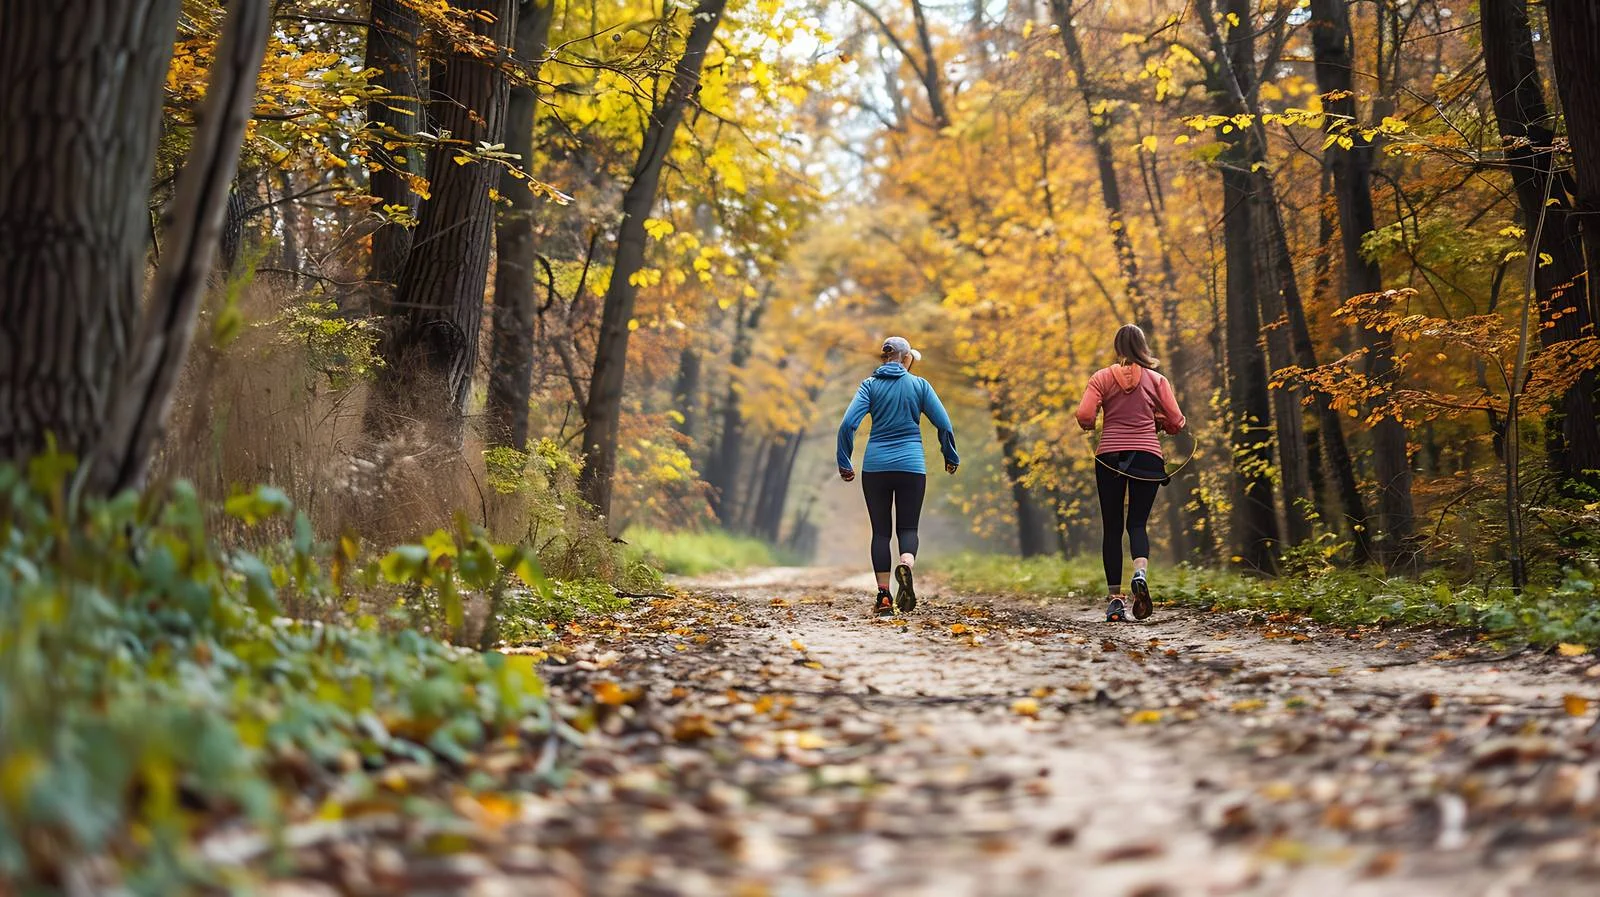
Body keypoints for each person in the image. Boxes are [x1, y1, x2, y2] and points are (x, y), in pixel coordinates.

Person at [837, 337, 960, 617]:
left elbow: (847, 425)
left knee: (881, 532)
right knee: (908, 529)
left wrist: (844, 461)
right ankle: (905, 564)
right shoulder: (920, 385)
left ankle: (883, 596)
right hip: (911, 466)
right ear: (906, 358)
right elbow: (944, 424)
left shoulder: (869, 386)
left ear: (885, 358)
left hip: (876, 467)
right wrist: (950, 456)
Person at [1075, 323, 1186, 623]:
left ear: (1117, 347)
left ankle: (1115, 601)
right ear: (1143, 346)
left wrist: (1090, 424)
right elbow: (1177, 420)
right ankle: (1140, 573)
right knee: (1137, 523)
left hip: (1109, 457)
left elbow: (1084, 415)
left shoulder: (1101, 378)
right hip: (1148, 456)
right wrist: (1165, 423)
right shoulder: (1157, 380)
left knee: (1112, 527)